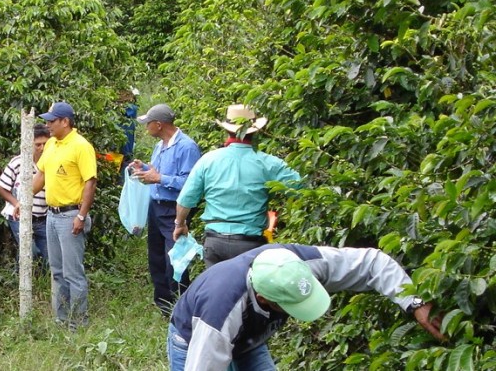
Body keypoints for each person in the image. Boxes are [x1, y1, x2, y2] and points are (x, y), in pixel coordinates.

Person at [167, 244, 444, 371]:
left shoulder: (303, 263)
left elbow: (371, 262)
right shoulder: (221, 313)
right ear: (264, 299)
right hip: (192, 340)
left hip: (248, 339)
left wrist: (414, 302)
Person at [174, 104, 301, 266]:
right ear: (255, 131)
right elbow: (301, 188)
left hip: (215, 243)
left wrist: (180, 224)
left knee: (217, 290)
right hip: (250, 244)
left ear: (227, 130)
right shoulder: (269, 163)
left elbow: (185, 200)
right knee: (247, 290)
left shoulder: (208, 160)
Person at [128, 104, 202, 314]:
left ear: (159, 125)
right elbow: (157, 173)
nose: (146, 128)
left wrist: (159, 178)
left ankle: (181, 306)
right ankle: (165, 307)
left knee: (176, 261)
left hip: (174, 209)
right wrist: (144, 169)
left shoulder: (187, 147)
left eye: (148, 124)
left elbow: (191, 183)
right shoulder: (160, 146)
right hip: (156, 207)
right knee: (157, 258)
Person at [32, 101, 98, 329]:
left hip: (70, 216)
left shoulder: (81, 146)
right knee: (57, 272)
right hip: (51, 216)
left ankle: (78, 323)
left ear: (65, 122)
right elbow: (41, 175)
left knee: (73, 274)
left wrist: (81, 216)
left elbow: (90, 181)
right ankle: (61, 321)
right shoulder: (51, 144)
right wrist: (24, 200)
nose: (48, 124)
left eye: (52, 121)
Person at [0, 124, 51, 264]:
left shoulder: (51, 163)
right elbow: (0, 187)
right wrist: (17, 203)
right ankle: (22, 282)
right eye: (38, 144)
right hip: (19, 216)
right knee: (29, 251)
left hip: (43, 217)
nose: (42, 148)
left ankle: (38, 283)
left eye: (45, 144)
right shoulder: (18, 162)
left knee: (49, 257)